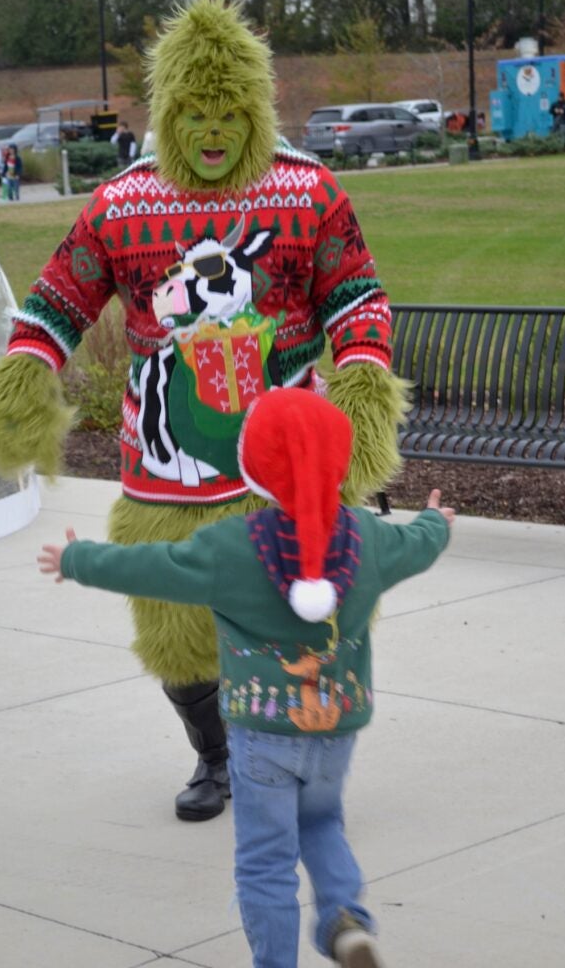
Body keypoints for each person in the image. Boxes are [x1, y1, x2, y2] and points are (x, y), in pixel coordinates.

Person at [0, 0, 409, 824]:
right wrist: (28, 370)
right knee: (173, 633)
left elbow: (357, 298)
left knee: (297, 620)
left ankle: (279, 750)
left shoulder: (308, 194)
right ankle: (217, 756)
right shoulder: (121, 204)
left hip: (284, 463)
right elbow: (58, 297)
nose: (211, 131)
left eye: (229, 113)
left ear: (256, 111)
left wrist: (360, 387)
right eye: (193, 113)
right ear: (168, 114)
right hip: (164, 473)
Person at [38, 387, 454, 968]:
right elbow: (421, 542)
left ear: (252, 469)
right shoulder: (369, 536)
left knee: (265, 859)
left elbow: (155, 566)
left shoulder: (231, 548)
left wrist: (79, 561)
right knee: (323, 822)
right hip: (337, 728)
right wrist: (437, 519)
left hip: (260, 736)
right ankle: (345, 920)